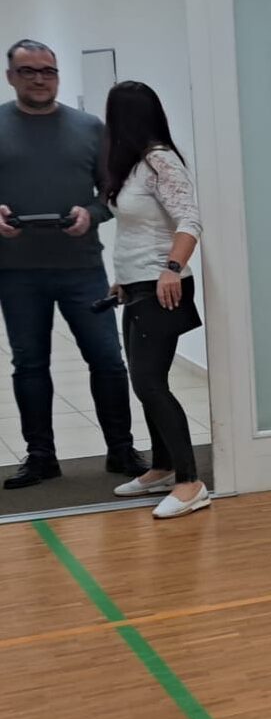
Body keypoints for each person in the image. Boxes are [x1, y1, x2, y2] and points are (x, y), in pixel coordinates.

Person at [0, 39, 146, 490]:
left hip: (82, 269)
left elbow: (111, 193)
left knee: (107, 360)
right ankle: (41, 457)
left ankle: (121, 450)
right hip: (16, 272)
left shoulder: (89, 128)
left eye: (48, 70)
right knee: (29, 365)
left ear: (58, 75)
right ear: (11, 76)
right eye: (28, 71)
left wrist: (91, 214)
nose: (39, 79)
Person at [103, 80, 208, 519]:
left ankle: (190, 482)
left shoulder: (160, 160)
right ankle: (163, 467)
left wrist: (171, 268)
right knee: (144, 381)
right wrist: (123, 279)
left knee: (151, 383)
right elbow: (137, 230)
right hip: (138, 287)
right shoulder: (133, 166)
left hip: (163, 286)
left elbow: (190, 220)